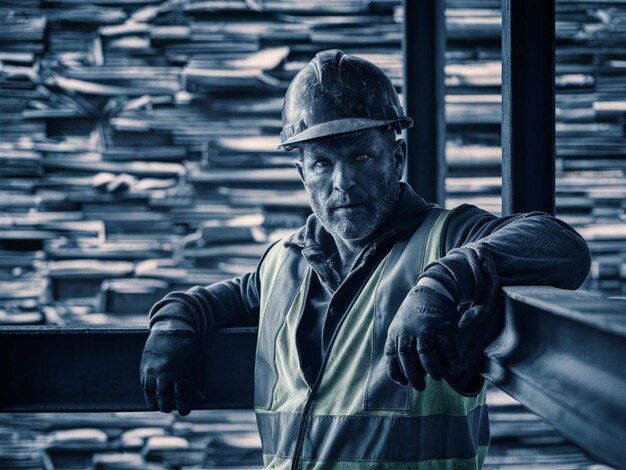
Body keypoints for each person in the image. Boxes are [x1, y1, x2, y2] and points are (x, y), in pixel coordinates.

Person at [140, 50, 591, 469]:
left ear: (397, 157)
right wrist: (172, 325)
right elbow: (203, 302)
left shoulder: (445, 238)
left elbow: (561, 246)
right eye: (321, 163)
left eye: (361, 156)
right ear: (302, 173)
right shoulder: (283, 263)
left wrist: (442, 282)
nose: (343, 183)